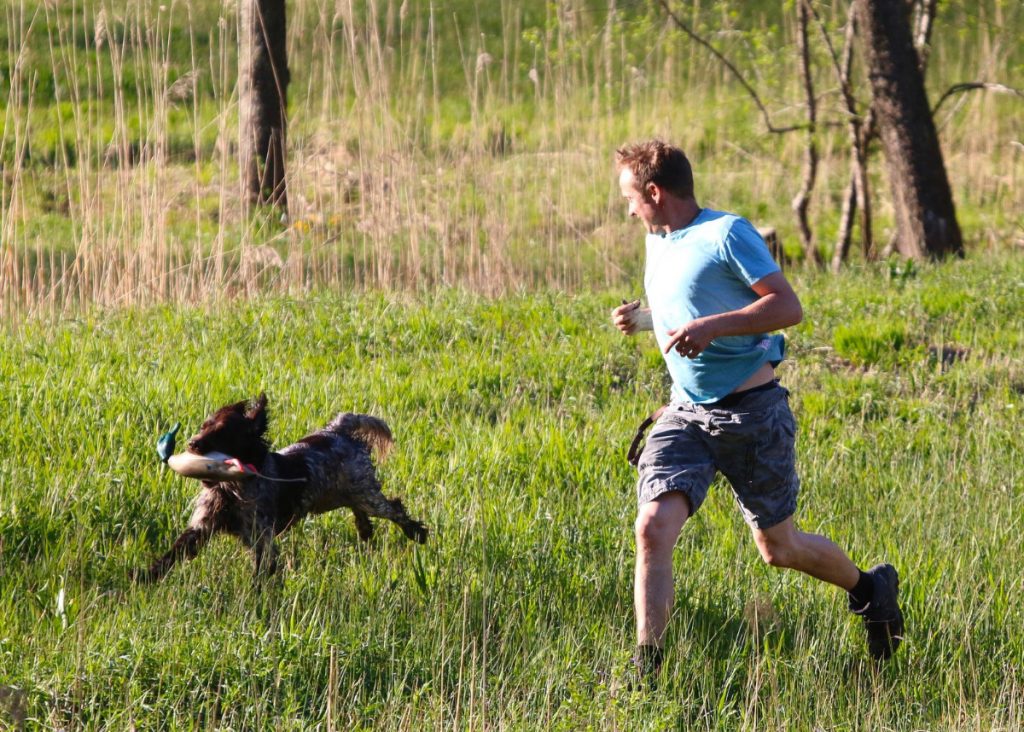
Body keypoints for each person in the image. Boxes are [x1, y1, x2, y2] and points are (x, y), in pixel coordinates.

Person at [610, 140, 904, 680]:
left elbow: (786, 306)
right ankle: (646, 667)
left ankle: (871, 588)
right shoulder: (660, 240)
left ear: (654, 192)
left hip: (752, 412)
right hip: (685, 413)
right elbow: (695, 302)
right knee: (651, 527)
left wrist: (712, 328)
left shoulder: (727, 233)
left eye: (631, 197)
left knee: (779, 548)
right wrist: (647, 320)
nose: (628, 209)